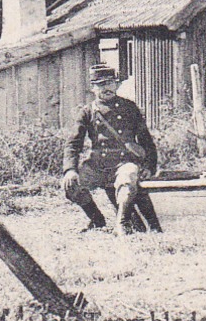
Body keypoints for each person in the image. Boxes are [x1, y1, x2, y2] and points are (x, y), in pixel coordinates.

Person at [62, 63, 161, 236]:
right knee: (71, 186)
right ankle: (97, 219)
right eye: (101, 84)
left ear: (116, 84)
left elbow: (146, 141)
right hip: (98, 165)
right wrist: (70, 170)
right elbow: (73, 143)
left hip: (124, 162)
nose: (106, 88)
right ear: (93, 88)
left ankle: (122, 223)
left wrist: (149, 167)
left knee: (128, 181)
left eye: (110, 83)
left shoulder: (129, 108)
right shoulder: (87, 112)